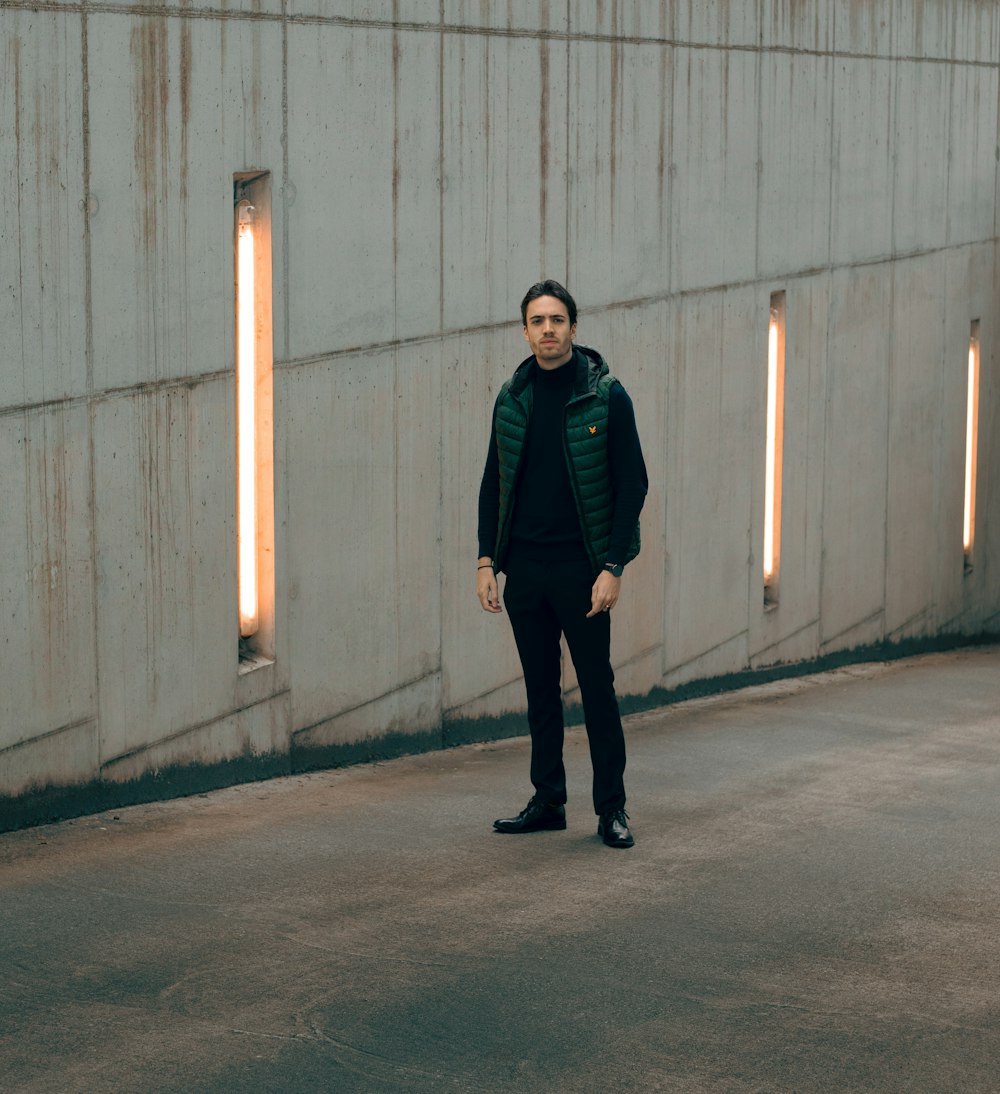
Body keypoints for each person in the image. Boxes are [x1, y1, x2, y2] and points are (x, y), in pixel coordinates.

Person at [476, 280, 648, 849]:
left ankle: (612, 810)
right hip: (524, 570)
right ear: (525, 331)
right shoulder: (512, 398)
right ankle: (548, 800)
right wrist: (486, 561)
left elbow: (633, 484)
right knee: (540, 691)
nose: (547, 329)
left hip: (582, 571)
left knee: (597, 689)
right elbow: (492, 485)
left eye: (557, 319)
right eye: (537, 321)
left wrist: (612, 565)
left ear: (574, 327)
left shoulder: (605, 395)